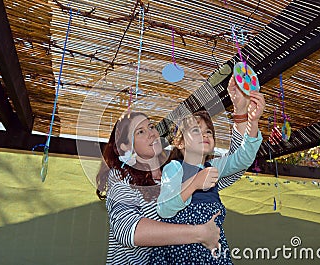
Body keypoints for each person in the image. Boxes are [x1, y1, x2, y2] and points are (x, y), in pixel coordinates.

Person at [95, 78, 264, 264]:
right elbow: (126, 230)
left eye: (151, 126)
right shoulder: (121, 176)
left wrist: (241, 112)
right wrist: (198, 233)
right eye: (140, 131)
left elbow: (235, 164)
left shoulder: (178, 167)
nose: (152, 132)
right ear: (126, 147)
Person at [150, 93, 264, 264]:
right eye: (196, 130)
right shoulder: (174, 168)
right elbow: (164, 209)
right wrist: (195, 183)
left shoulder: (213, 167)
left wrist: (253, 122)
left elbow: (243, 158)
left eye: (208, 132)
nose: (205, 135)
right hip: (183, 246)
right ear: (180, 143)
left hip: (213, 245)